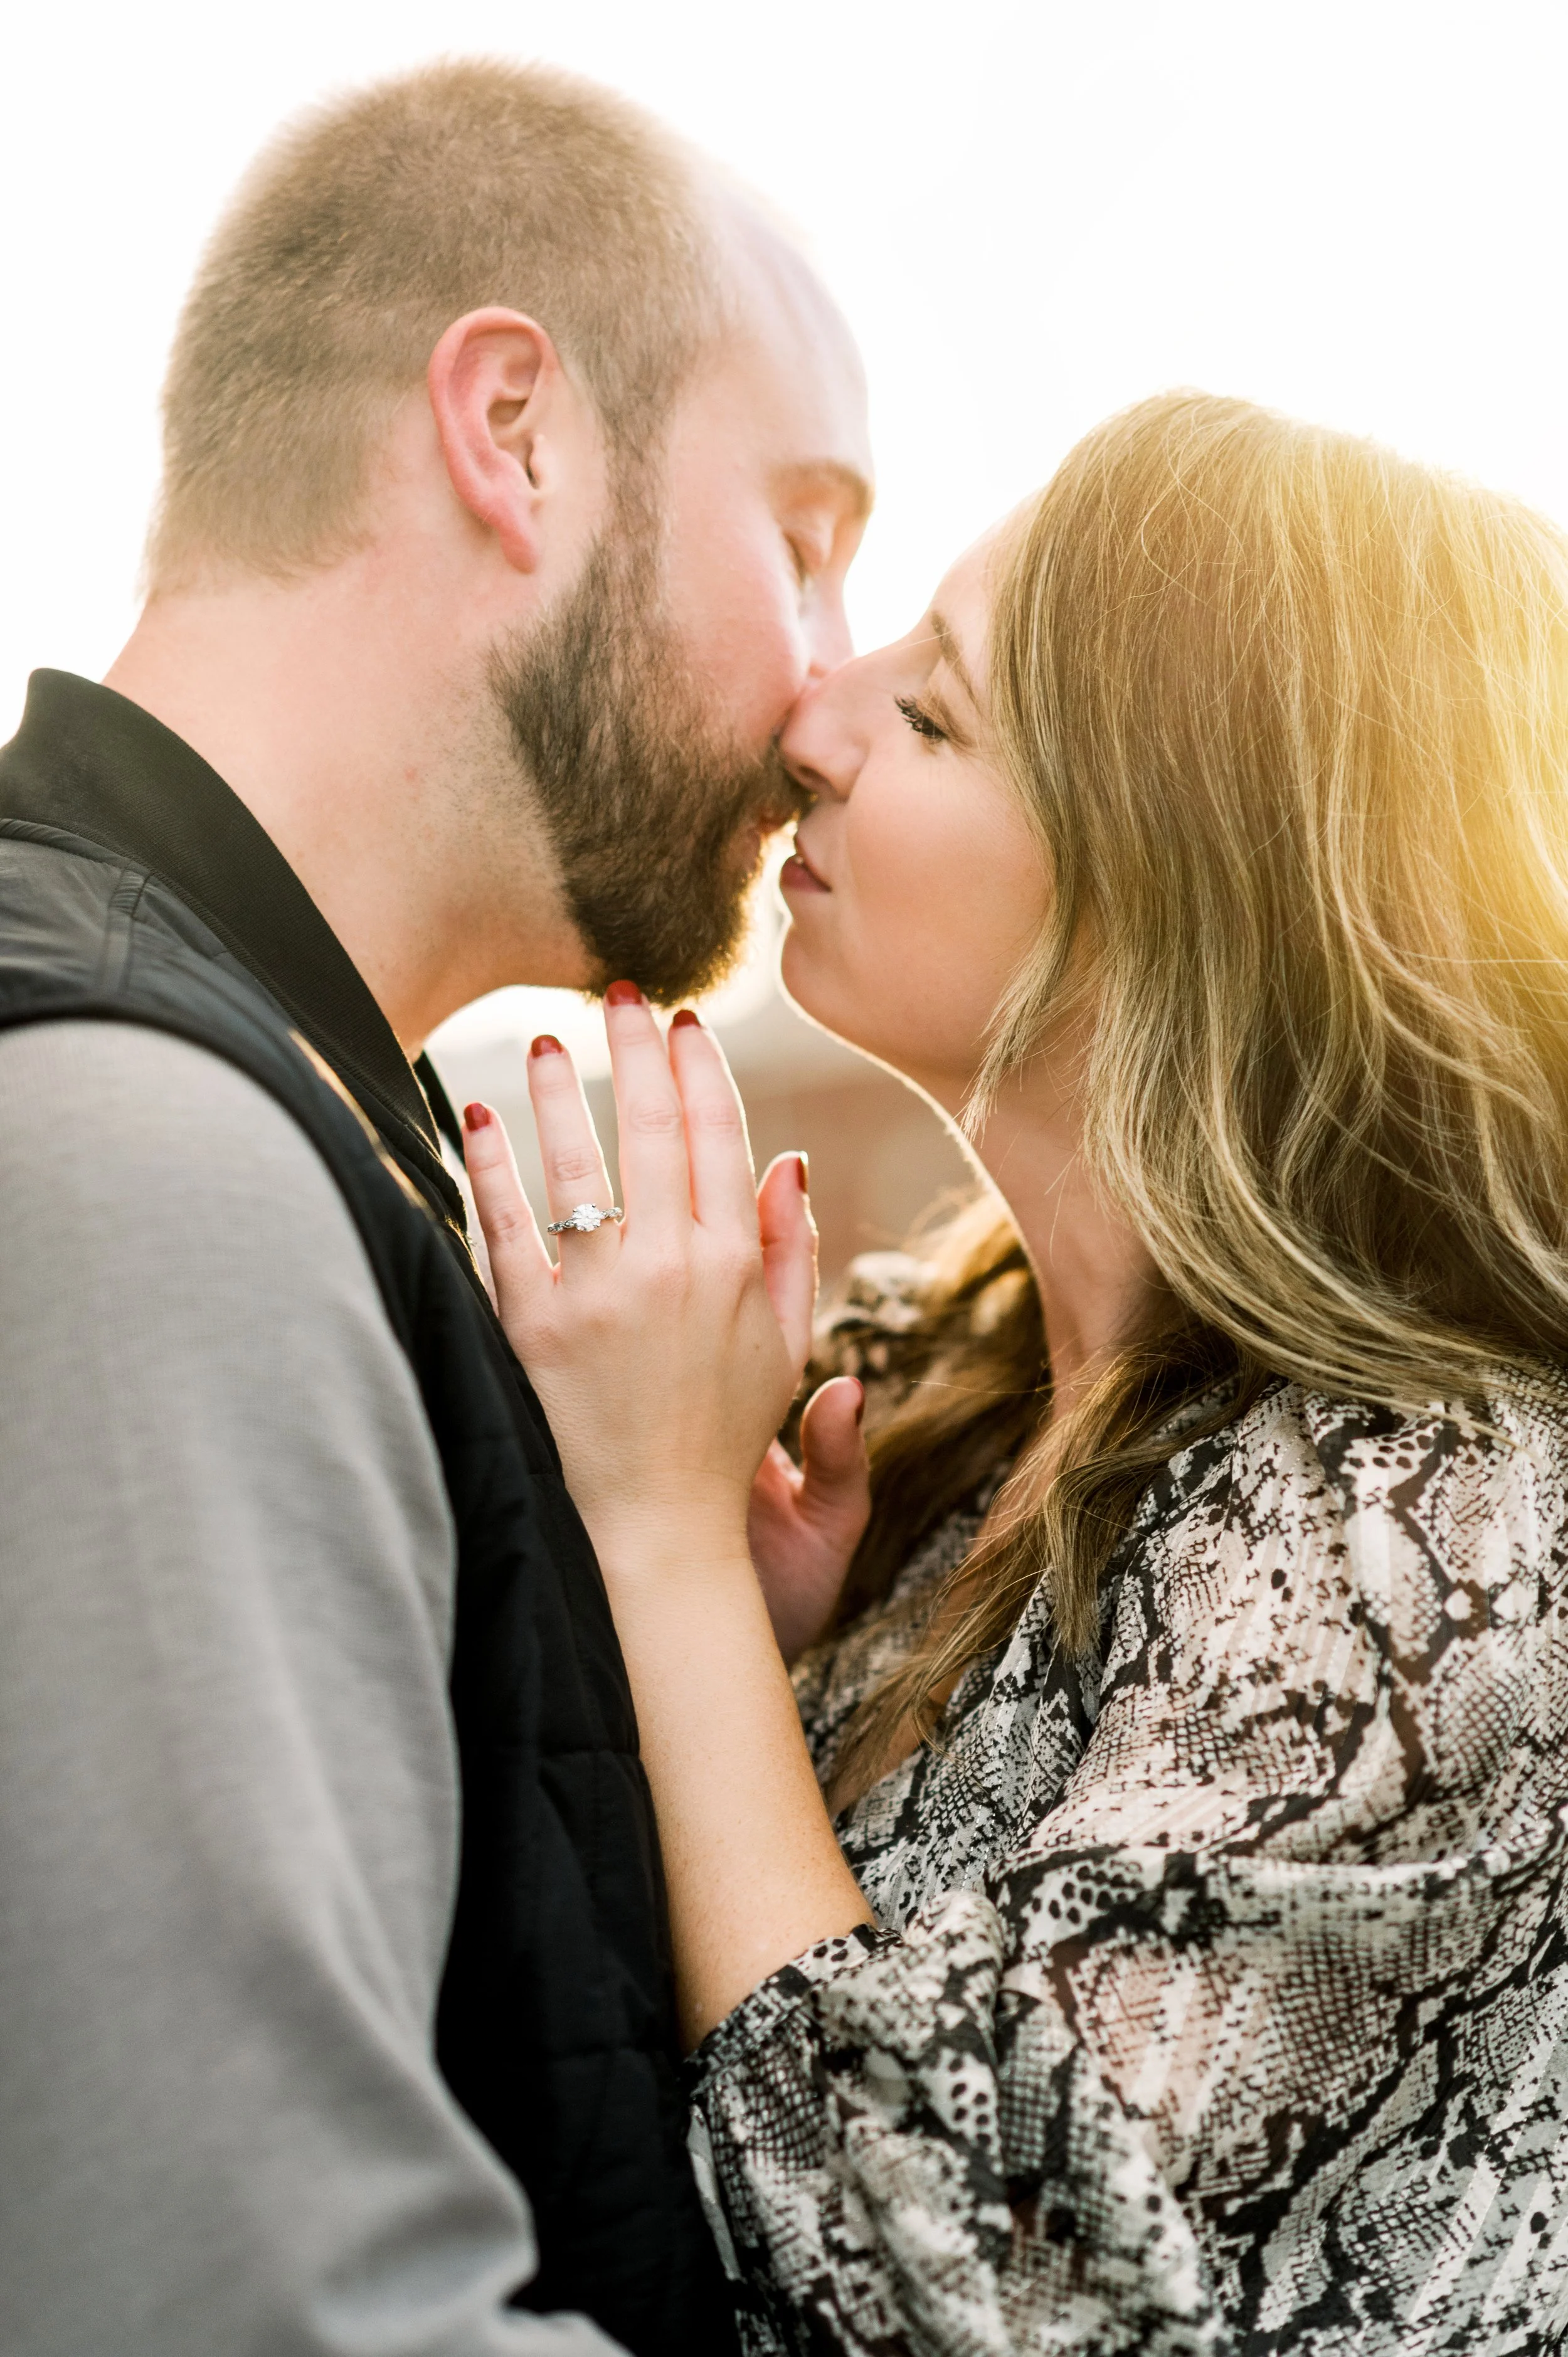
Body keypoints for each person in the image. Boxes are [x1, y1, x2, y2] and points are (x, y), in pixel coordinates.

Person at [462, 391, 1568, 2354]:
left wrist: (669, 1563)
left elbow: (957, 2280)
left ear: (1181, 894)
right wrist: (777, 1655)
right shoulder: (944, 1386)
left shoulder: (1431, 1533)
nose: (814, 713)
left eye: (937, 715)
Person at [0, 59, 870, 2357]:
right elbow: (257, 2310)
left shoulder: (266, 1103)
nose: (821, 694)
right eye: (799, 540)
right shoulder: (133, 1133)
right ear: (513, 433)